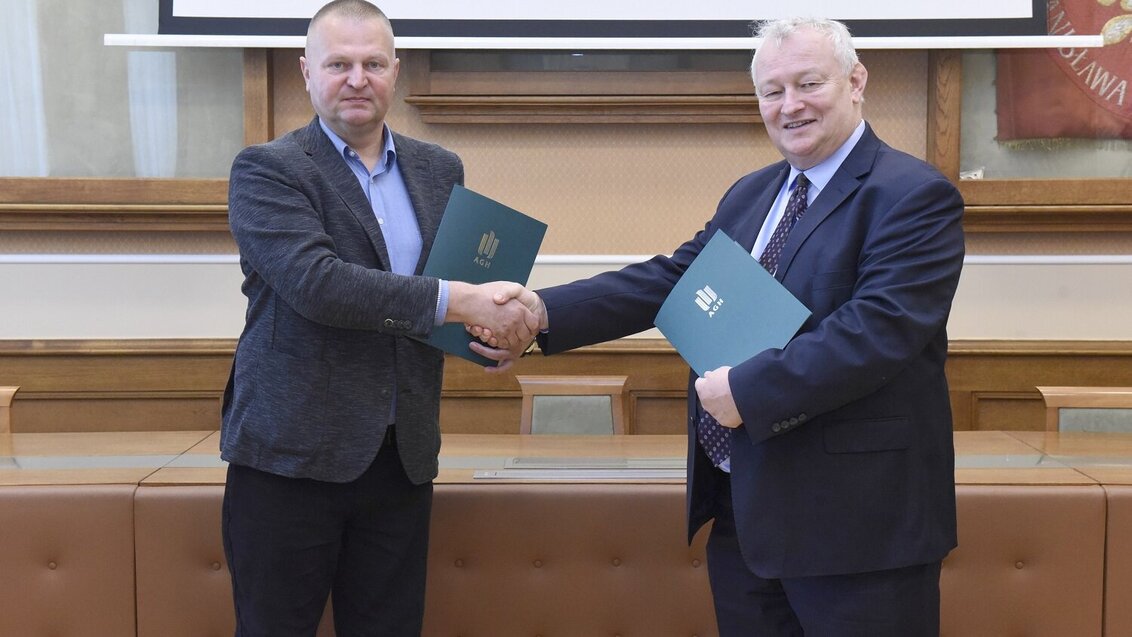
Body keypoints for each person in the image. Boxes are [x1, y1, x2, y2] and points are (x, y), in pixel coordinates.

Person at [475, 17, 964, 637]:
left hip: (858, 531)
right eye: (771, 91)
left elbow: (879, 330)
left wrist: (750, 392)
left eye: (808, 84)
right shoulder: (752, 195)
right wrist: (542, 313)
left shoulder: (913, 194)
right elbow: (672, 280)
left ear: (856, 81)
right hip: (746, 519)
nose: (790, 106)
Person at [220, 1, 538, 635]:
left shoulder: (438, 168)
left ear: (395, 72)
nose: (357, 79)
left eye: (372, 63)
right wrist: (460, 301)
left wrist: (498, 332)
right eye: (339, 64)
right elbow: (320, 286)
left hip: (400, 457)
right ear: (306, 71)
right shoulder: (268, 170)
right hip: (291, 459)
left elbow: (448, 290)